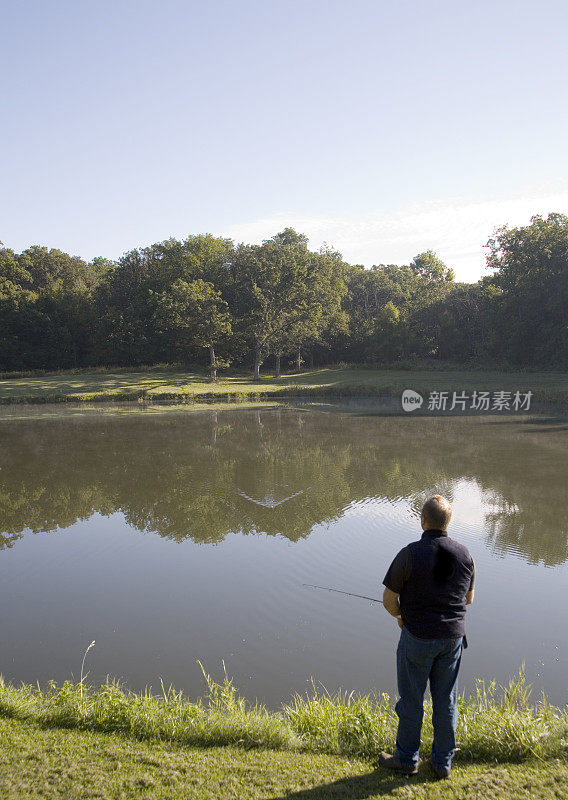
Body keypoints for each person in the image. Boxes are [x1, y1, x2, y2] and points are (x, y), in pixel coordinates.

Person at [378, 495, 475, 779]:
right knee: (446, 700)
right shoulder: (465, 554)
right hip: (452, 639)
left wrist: (400, 616)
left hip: (417, 638)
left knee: (411, 699)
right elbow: (468, 599)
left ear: (422, 521)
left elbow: (388, 599)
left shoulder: (409, 554)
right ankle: (442, 762)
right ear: (448, 522)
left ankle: (407, 759)